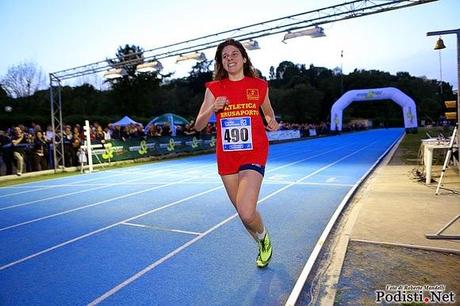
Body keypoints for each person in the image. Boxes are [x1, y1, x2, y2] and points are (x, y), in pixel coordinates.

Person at [194, 39, 279, 268]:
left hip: (254, 152)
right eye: (224, 56)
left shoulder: (259, 85)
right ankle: (262, 242)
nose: (229, 58)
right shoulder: (214, 89)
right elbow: (199, 125)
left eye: (234, 54)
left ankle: (264, 239)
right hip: (228, 156)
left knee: (246, 210)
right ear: (221, 62)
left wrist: (272, 121)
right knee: (242, 214)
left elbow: (269, 113)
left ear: (243, 58)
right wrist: (213, 108)